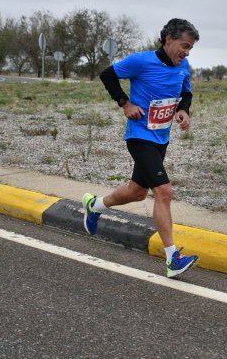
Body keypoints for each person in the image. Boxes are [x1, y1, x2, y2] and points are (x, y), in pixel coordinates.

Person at [83, 18, 200, 278]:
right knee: (165, 192)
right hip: (139, 136)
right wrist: (125, 104)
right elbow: (108, 75)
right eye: (184, 45)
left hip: (161, 138)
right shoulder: (141, 61)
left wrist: (183, 110)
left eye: (190, 48)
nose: (187, 52)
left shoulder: (184, 66)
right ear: (168, 38)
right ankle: (172, 259)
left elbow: (186, 92)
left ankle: (95, 206)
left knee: (136, 192)